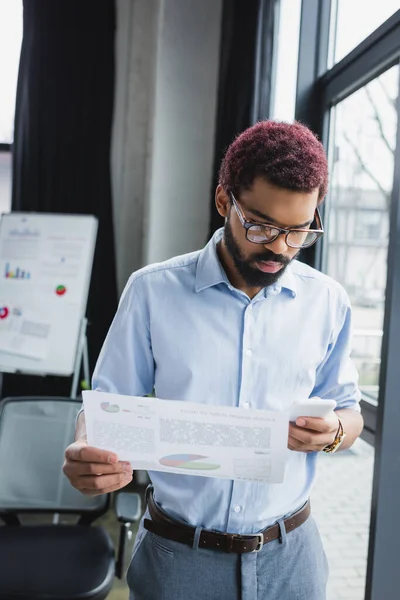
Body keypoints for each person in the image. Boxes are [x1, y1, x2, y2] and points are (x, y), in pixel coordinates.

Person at [63, 120, 364, 600]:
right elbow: (104, 405)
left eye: (299, 231)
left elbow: (349, 411)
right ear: (225, 201)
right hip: (177, 558)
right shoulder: (152, 291)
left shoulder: (328, 302)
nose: (279, 249)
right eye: (262, 225)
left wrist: (332, 435)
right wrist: (88, 451)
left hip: (292, 559)